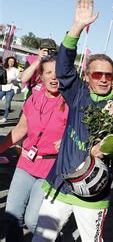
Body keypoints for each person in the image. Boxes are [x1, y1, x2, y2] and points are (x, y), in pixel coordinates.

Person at [33, 0, 113, 240]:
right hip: (61, 185)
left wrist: (109, 150)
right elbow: (64, 68)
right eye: (97, 73)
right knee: (40, 239)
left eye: (108, 75)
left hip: (93, 196)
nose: (103, 79)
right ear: (87, 76)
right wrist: (76, 28)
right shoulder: (77, 94)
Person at [0, 57, 68, 241]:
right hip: (26, 163)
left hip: (50, 168)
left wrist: (68, 140)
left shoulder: (71, 102)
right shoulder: (33, 98)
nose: (54, 78)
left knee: (32, 221)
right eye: (49, 73)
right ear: (42, 76)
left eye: (59, 74)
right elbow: (21, 129)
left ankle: (55, 238)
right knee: (12, 216)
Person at [1, 56, 20, 123]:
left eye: (12, 62)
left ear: (14, 63)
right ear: (7, 62)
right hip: (3, 87)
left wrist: (12, 79)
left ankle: (5, 117)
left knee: (7, 103)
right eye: (10, 61)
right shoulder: (4, 69)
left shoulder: (16, 70)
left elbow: (19, 79)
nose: (11, 63)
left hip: (11, 89)